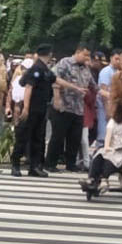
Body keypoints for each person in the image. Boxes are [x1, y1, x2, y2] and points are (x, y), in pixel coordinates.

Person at [10, 44, 87, 177]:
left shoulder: (45, 69)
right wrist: (26, 108)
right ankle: (15, 165)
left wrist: (75, 88)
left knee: (38, 138)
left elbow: (56, 79)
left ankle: (34, 167)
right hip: (31, 108)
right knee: (23, 136)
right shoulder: (37, 68)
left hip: (41, 108)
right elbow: (28, 87)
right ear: (49, 54)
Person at [45, 44, 96, 173]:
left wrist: (106, 94)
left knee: (75, 137)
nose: (87, 58)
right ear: (78, 52)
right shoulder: (65, 63)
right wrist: (57, 99)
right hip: (63, 105)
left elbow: (93, 85)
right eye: (85, 55)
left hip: (78, 107)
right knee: (58, 136)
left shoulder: (85, 68)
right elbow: (55, 80)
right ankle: (50, 163)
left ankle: (71, 163)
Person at [80, 102, 122, 192]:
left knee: (111, 158)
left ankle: (105, 179)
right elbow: (108, 137)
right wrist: (106, 147)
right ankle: (92, 179)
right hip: (112, 148)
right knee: (99, 155)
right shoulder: (113, 122)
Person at [96, 49, 122, 145]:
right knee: (104, 135)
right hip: (105, 107)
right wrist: (107, 110)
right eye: (116, 59)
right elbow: (103, 92)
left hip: (115, 107)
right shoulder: (106, 71)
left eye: (120, 59)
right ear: (111, 58)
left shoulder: (119, 72)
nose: (118, 61)